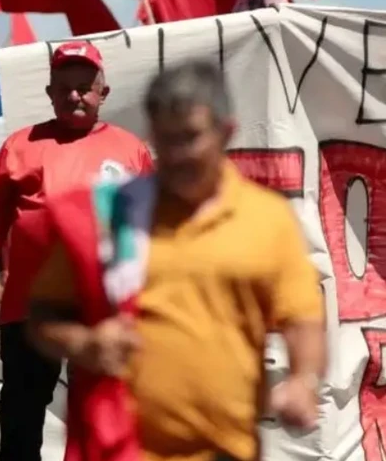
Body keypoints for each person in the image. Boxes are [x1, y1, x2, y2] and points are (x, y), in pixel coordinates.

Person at [28, 61, 326, 461]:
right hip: (118, 448)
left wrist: (303, 381)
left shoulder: (267, 219)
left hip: (228, 450)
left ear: (226, 132)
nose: (178, 155)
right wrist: (84, 343)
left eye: (190, 138)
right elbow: (43, 316)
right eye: (166, 140)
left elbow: (302, 317)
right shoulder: (109, 213)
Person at [0, 40, 152, 461]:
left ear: (103, 93)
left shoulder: (132, 150)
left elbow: (154, 228)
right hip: (30, 307)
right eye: (65, 87)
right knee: (21, 417)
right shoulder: (21, 145)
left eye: (85, 87)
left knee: (105, 419)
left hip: (106, 309)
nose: (75, 95)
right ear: (50, 93)